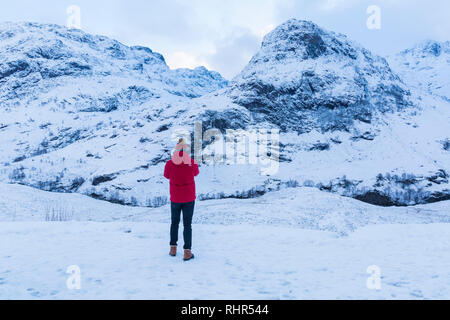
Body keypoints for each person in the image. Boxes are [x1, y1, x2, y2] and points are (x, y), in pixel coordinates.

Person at [163, 138, 199, 261]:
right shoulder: (191, 162)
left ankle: (173, 248)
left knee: (174, 223)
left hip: (175, 197)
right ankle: (187, 252)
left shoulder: (169, 163)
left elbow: (166, 175)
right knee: (187, 225)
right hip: (189, 197)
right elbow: (196, 173)